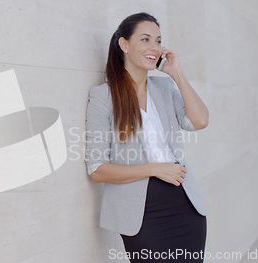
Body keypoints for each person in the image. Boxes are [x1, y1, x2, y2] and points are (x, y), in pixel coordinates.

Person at [85, 12, 209, 262]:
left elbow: (200, 121)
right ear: (124, 44)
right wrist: (155, 169)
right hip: (141, 216)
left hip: (185, 206)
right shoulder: (103, 97)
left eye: (158, 40)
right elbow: (97, 169)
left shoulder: (164, 88)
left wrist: (176, 74)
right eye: (145, 39)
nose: (155, 47)